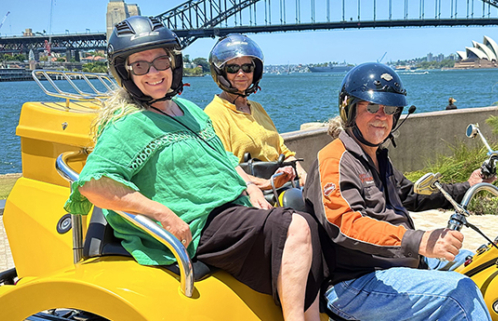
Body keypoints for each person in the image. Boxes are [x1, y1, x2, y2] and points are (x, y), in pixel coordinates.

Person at [64, 16, 324, 321]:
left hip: (229, 209)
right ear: (126, 72)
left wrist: (248, 186)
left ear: (173, 64)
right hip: (199, 222)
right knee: (293, 227)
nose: (153, 72)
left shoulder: (188, 111)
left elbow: (220, 156)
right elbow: (94, 184)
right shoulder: (128, 124)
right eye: (140, 65)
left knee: (310, 220)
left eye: (161, 61)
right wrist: (163, 215)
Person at [304, 63, 494, 321]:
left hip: (398, 265)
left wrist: (467, 188)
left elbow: (411, 195)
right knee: (457, 294)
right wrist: (418, 240)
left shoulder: (377, 157)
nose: (381, 116)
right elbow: (345, 224)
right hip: (355, 282)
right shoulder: (335, 160)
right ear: (348, 109)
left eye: (390, 109)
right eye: (372, 107)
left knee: (484, 262)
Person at [204, 34, 306, 189]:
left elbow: (283, 151)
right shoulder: (214, 113)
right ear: (221, 73)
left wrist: (305, 178)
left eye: (247, 67)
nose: (241, 73)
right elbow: (224, 166)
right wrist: (268, 184)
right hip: (251, 192)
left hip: (282, 186)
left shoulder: (257, 108)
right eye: (232, 68)